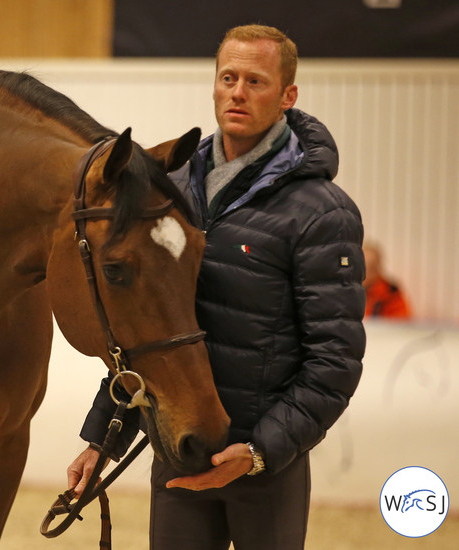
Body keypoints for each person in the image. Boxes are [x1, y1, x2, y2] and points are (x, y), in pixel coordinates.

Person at [66, 24, 366, 550]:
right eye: (228, 77)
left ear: (287, 95)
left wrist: (260, 452)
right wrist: (102, 441)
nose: (237, 92)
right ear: (213, 85)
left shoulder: (323, 212)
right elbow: (146, 332)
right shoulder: (172, 190)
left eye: (256, 80)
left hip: (264, 470)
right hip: (178, 454)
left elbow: (335, 361)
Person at [363, 241, 411, 319]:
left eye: (370, 267)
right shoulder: (347, 291)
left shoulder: (391, 294)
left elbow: (401, 325)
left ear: (377, 268)